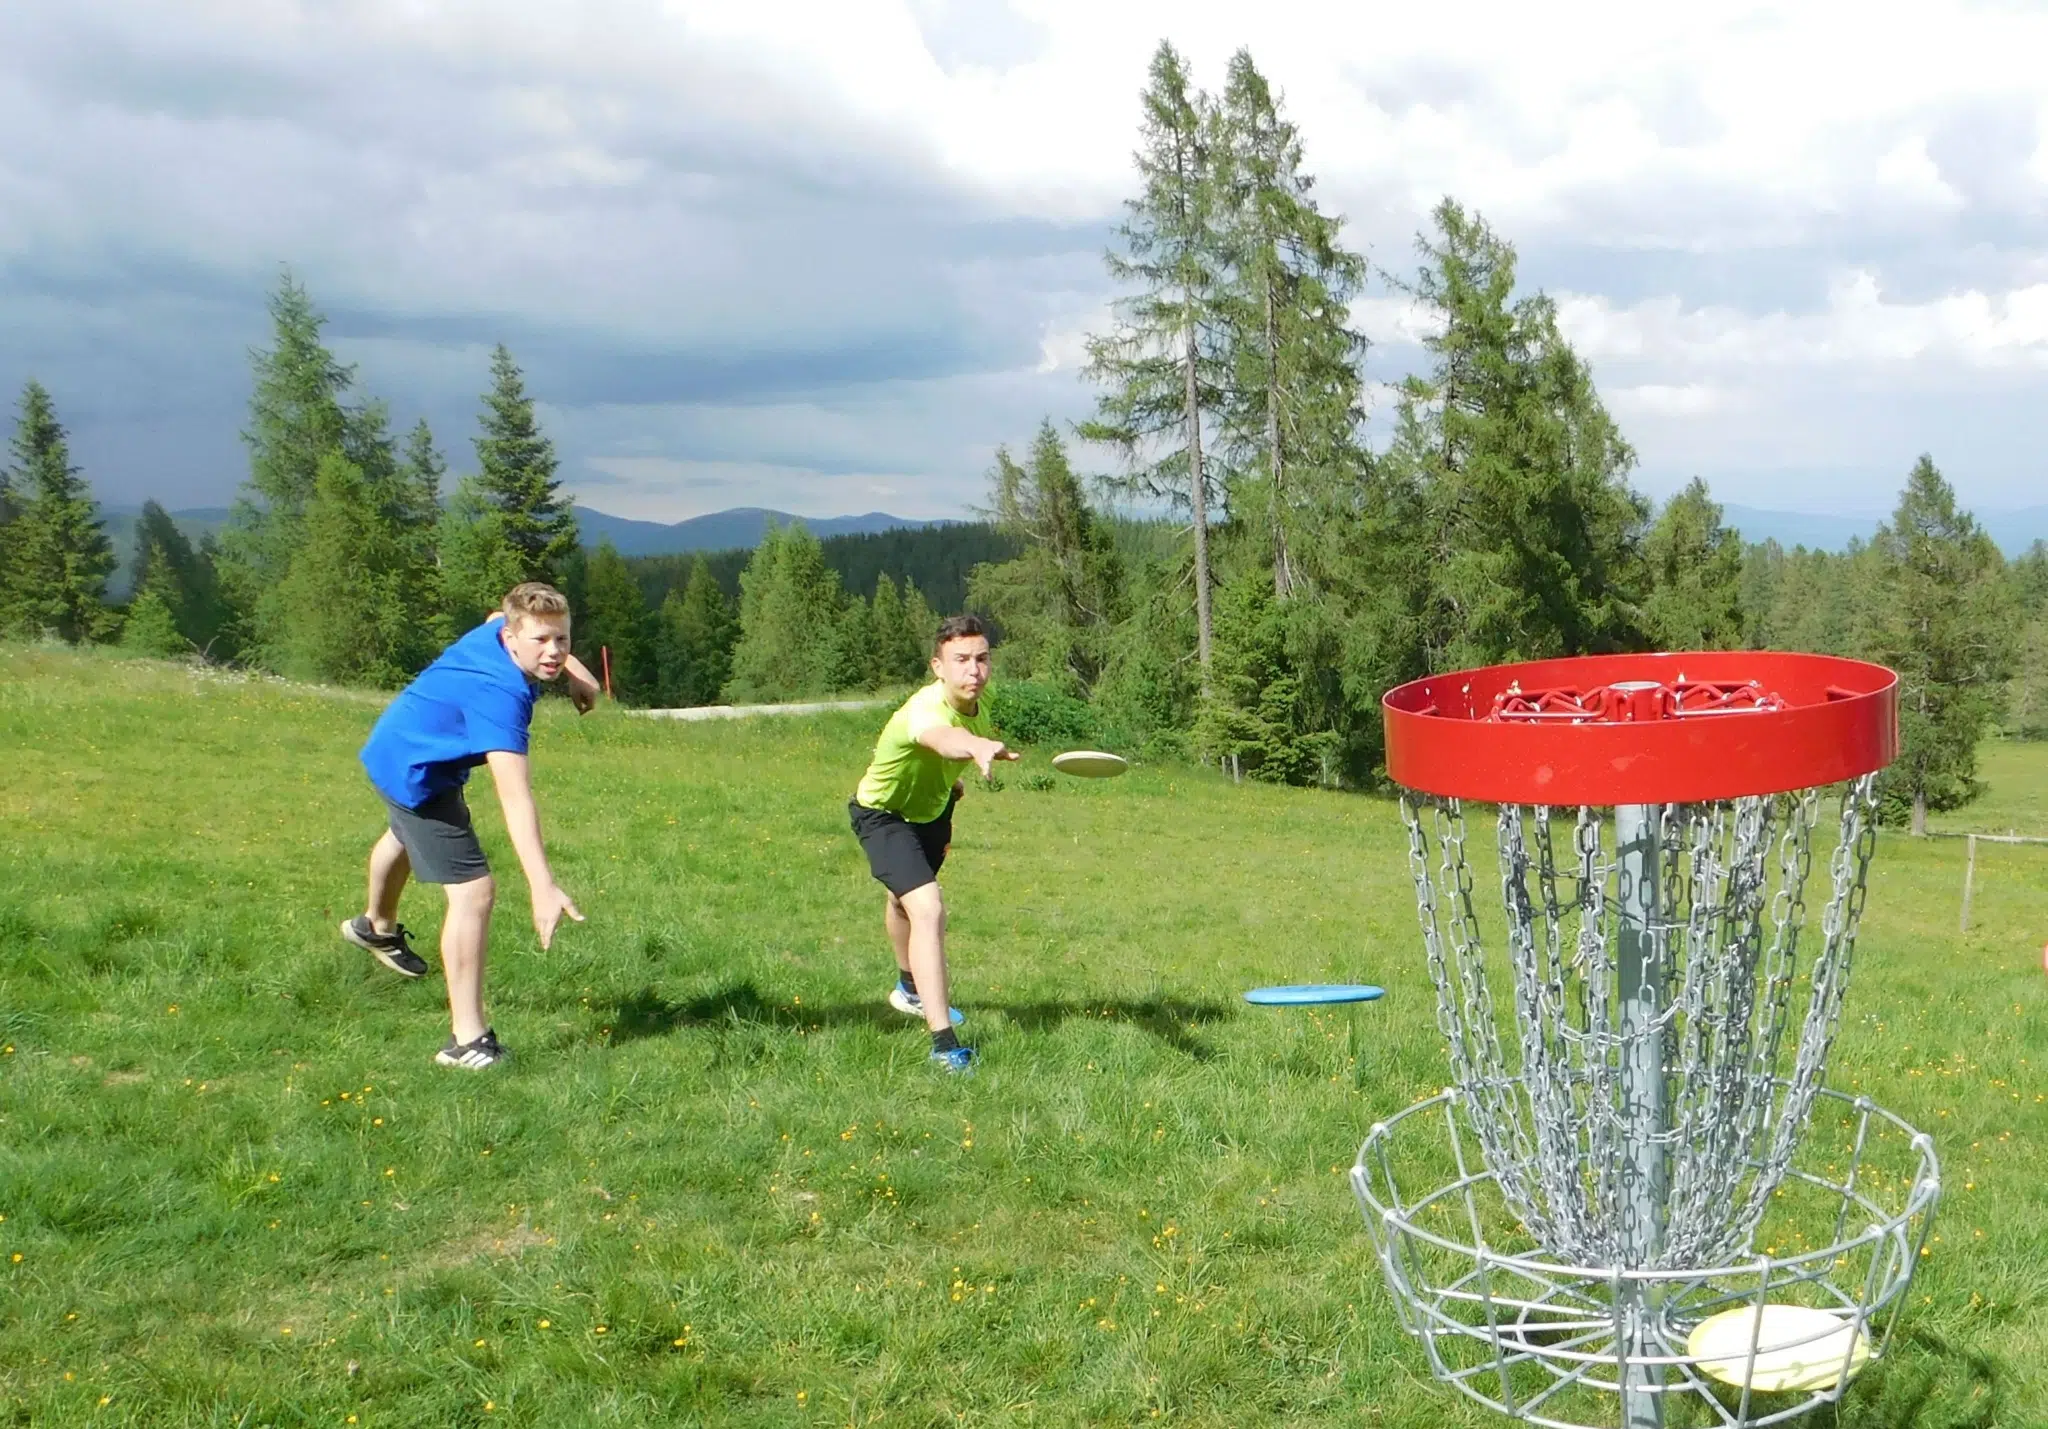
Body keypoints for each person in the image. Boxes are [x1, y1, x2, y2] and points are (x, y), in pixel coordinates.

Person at [342, 582, 595, 1069]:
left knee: (405, 834)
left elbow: (494, 619)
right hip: (418, 772)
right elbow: (515, 799)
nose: (554, 651)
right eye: (541, 641)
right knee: (474, 892)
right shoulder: (500, 697)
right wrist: (543, 886)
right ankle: (467, 1041)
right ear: (513, 638)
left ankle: (374, 926)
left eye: (562, 639)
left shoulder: (497, 628)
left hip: (397, 748)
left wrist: (578, 675)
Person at [848, 614, 1017, 1073]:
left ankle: (907, 989)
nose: (974, 671)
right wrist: (975, 749)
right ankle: (945, 1045)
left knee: (902, 901)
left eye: (981, 659)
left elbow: (950, 744)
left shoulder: (982, 698)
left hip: (933, 812)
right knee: (928, 908)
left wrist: (950, 785)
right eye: (960, 660)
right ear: (937, 666)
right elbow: (942, 737)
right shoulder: (924, 709)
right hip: (884, 815)